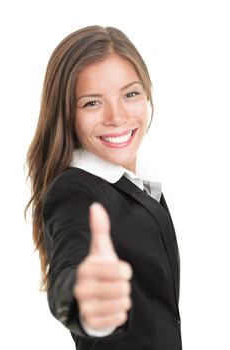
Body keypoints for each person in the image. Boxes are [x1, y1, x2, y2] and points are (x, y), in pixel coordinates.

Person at [25, 25, 182, 349]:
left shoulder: (140, 185)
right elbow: (71, 261)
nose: (117, 116)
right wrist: (82, 296)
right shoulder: (75, 191)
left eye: (130, 94)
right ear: (67, 114)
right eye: (92, 103)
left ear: (147, 93)